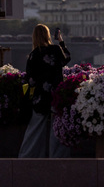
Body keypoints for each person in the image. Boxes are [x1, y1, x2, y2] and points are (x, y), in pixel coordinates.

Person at [18, 25, 71, 158]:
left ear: (34, 37)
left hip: (41, 97)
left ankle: (28, 156)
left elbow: (30, 80)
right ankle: (57, 157)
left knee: (35, 129)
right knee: (56, 129)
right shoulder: (56, 49)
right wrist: (60, 41)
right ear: (48, 36)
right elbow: (67, 58)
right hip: (56, 95)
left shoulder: (34, 54)